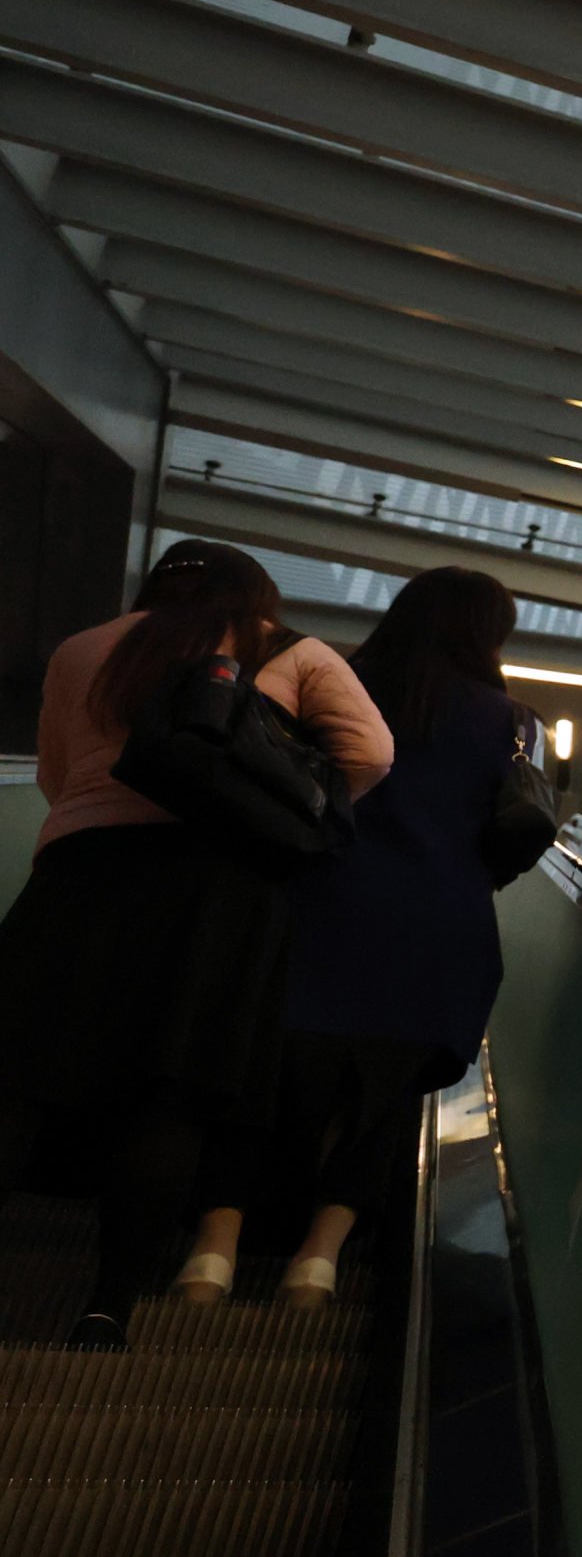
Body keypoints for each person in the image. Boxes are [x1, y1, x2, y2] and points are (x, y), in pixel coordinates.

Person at [0, 540, 392, 1340]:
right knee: (169, 1096)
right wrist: (269, 798)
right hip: (221, 892)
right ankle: (109, 1303)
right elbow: (371, 755)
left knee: (20, 1080)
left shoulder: (82, 648)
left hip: (80, 876)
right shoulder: (284, 648)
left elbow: (55, 767)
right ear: (255, 593)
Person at [270, 567, 531, 1305]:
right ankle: (319, 1256)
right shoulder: (501, 716)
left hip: (321, 902)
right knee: (382, 1090)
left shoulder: (335, 684)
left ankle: (224, 1242)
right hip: (437, 921)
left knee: (290, 1070)